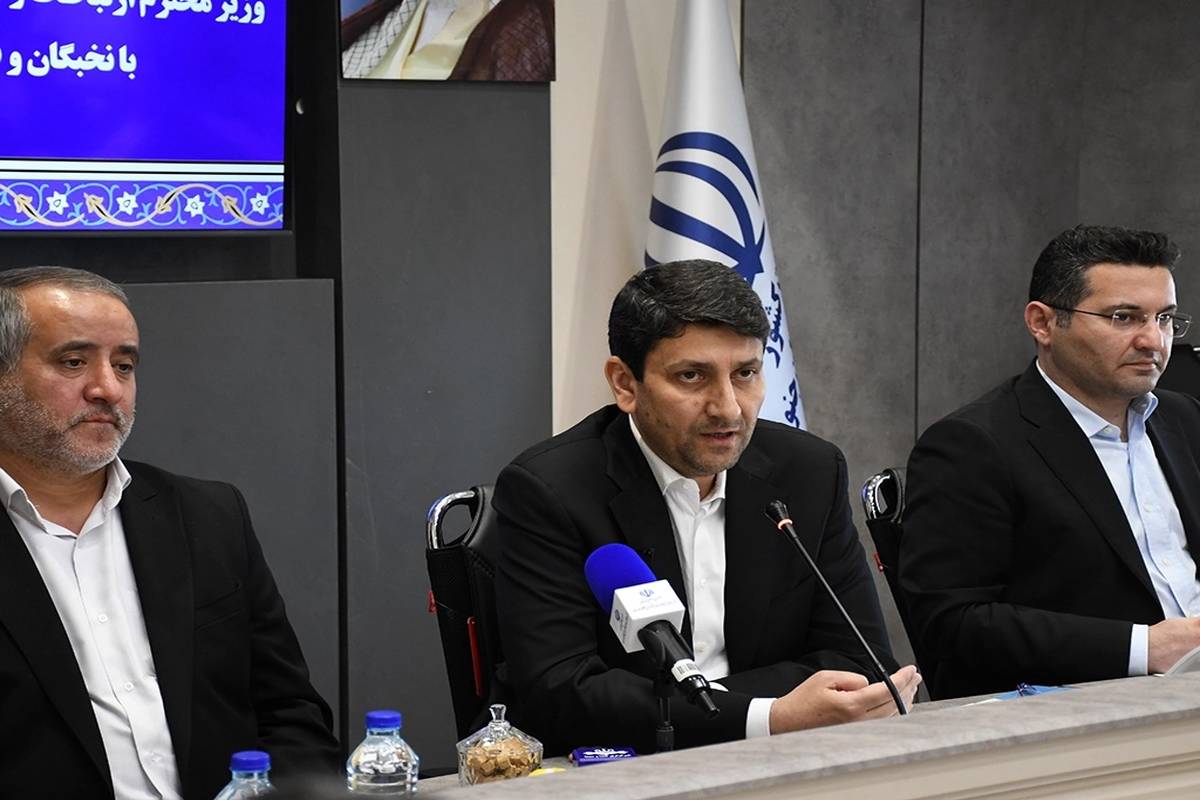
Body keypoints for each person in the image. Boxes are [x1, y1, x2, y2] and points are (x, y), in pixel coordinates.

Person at [493, 259, 919, 755]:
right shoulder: (551, 490)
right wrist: (767, 716)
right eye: (692, 376)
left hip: (786, 759)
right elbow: (562, 693)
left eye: (746, 373)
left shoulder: (808, 472)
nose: (728, 408)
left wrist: (737, 714)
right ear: (625, 384)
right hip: (623, 771)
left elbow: (860, 660)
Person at [0, 267, 340, 799]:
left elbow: (291, 714)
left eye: (124, 365)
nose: (107, 389)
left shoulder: (208, 516)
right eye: (73, 362)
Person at [899, 225, 1200, 699]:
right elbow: (951, 624)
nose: (1153, 341)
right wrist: (1146, 647)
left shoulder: (1185, 419)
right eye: (1123, 318)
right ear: (1042, 323)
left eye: (1164, 318)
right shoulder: (971, 445)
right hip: (1089, 707)